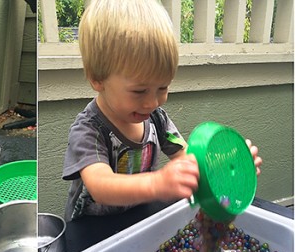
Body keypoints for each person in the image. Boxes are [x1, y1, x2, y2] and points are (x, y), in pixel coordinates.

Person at [62, 0, 262, 221]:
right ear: (97, 80)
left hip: (137, 218)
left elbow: (191, 161)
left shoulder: (157, 120)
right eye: (139, 91)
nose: (152, 102)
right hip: (90, 231)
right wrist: (158, 183)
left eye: (163, 88)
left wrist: (227, 166)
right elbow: (101, 187)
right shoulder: (89, 130)